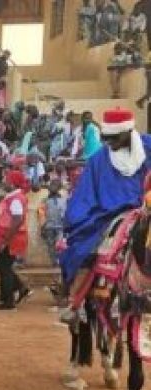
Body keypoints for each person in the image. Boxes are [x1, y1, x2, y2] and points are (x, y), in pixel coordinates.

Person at [61, 108, 151, 292]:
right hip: (109, 212)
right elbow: (85, 194)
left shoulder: (149, 147)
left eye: (114, 138)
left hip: (147, 206)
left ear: (128, 132)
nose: (110, 143)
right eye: (107, 138)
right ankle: (75, 299)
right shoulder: (98, 159)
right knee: (83, 248)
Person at [0, 170, 32, 310]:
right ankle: (19, 288)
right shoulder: (12, 197)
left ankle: (8, 300)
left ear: (13, 183)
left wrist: (5, 240)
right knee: (1, 265)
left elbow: (17, 220)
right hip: (9, 237)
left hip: (11, 239)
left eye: (6, 180)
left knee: (4, 267)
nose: (4, 182)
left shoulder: (15, 199)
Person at [39, 179, 66, 266]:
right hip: (57, 226)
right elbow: (64, 214)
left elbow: (41, 215)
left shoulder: (45, 201)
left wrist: (42, 226)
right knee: (57, 244)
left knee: (52, 245)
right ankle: (57, 261)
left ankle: (55, 261)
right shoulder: (63, 200)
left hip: (50, 226)